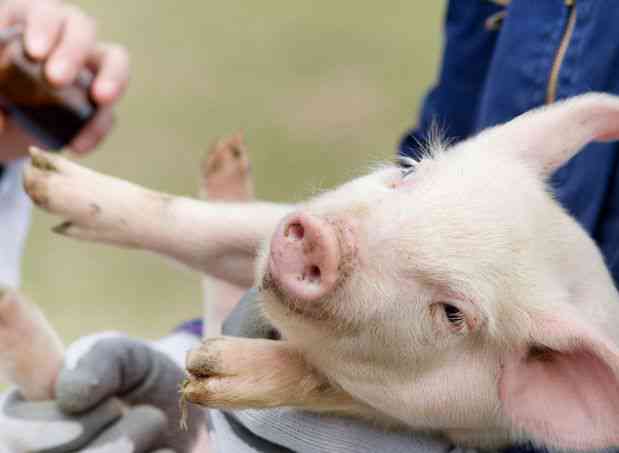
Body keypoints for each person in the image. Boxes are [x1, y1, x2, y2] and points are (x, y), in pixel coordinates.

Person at [3, 1, 618, 452]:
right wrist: (197, 352)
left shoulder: (563, 364)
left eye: (451, 311)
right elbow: (418, 199)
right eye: (408, 177)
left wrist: (290, 378)